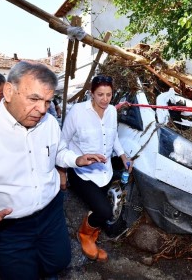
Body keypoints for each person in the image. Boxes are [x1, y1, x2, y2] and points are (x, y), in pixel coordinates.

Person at [0, 61, 106, 280]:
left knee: (59, 260)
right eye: (34, 99)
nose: (43, 109)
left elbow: (57, 151)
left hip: (51, 214)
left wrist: (75, 159)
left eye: (47, 101)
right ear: (8, 91)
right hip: (6, 228)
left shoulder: (49, 123)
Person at [61, 74, 132, 262]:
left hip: (105, 172)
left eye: (109, 95)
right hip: (82, 174)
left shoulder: (111, 112)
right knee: (104, 211)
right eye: (100, 94)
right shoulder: (77, 112)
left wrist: (123, 156)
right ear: (91, 93)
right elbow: (62, 142)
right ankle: (84, 234)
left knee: (97, 208)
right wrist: (66, 169)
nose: (105, 99)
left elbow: (113, 136)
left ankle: (92, 236)